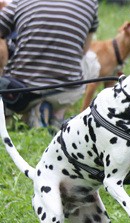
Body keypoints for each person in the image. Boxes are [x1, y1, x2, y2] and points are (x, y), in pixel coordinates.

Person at [0, 0, 99, 128]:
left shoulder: (20, 1)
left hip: (21, 90)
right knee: (91, 60)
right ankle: (57, 113)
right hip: (65, 91)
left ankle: (28, 111)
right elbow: (84, 49)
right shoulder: (90, 2)